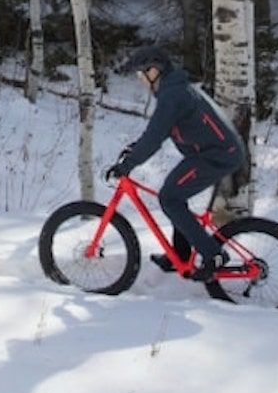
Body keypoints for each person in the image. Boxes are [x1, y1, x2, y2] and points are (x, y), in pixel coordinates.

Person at [103, 46, 246, 283]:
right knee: (175, 197)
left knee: (170, 198)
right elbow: (156, 132)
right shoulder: (174, 90)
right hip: (213, 152)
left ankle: (214, 255)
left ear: (155, 71)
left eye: (142, 74)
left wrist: (126, 165)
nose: (141, 81)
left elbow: (154, 138)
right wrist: (134, 149)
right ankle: (179, 254)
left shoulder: (172, 95)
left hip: (217, 154)